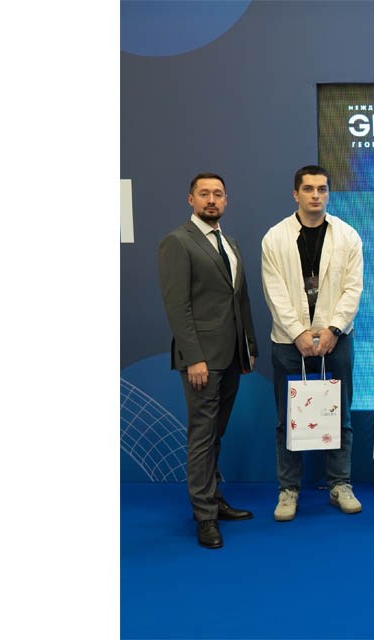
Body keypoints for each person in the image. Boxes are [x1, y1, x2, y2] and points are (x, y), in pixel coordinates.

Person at [156, 172, 259, 549]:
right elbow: (177, 307)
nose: (211, 200)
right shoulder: (177, 242)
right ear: (191, 200)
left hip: (232, 356)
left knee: (215, 434)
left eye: (218, 194)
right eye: (204, 194)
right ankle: (204, 516)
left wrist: (249, 347)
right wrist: (194, 358)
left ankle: (214, 498)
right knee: (202, 436)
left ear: (226, 200)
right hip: (202, 360)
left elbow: (240, 299)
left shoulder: (229, 243)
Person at [261, 165, 364, 520]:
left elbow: (353, 289)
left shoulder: (348, 236)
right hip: (289, 342)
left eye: (322, 189)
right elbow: (274, 291)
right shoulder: (275, 237)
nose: (315, 195)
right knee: (287, 417)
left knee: (341, 414)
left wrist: (333, 329)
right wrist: (298, 333)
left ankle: (340, 484)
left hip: (337, 340)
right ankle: (288, 489)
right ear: (296, 194)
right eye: (308, 189)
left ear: (329, 194)